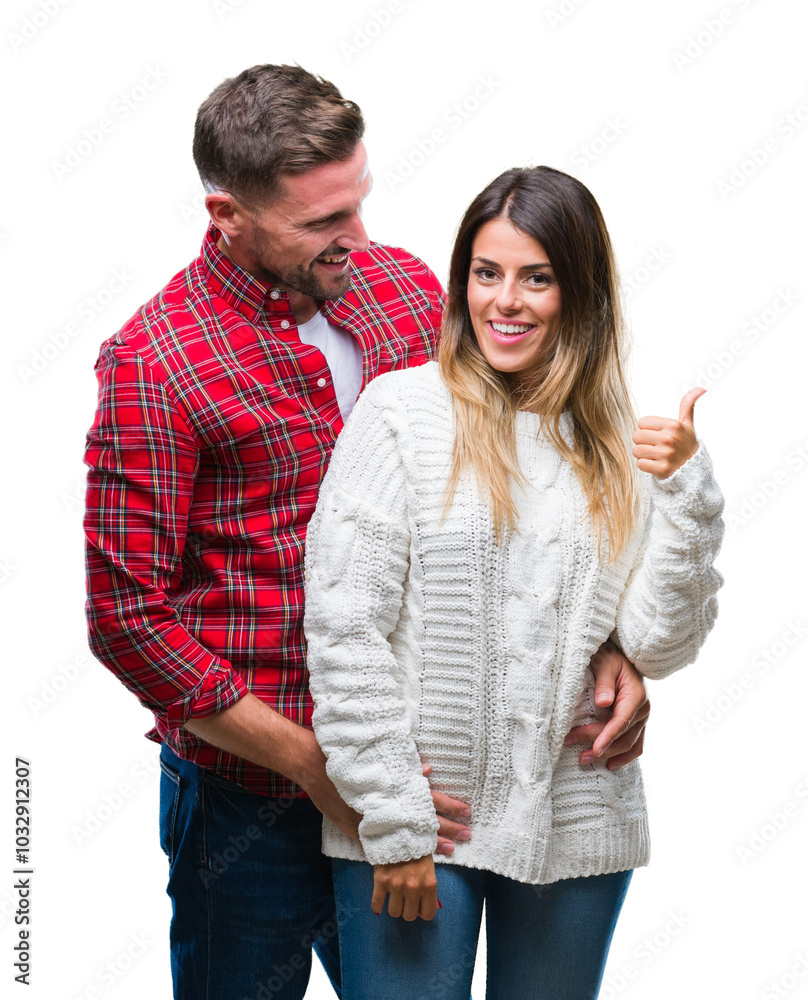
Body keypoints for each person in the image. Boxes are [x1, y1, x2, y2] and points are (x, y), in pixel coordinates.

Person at [83, 64, 652, 1000]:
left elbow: (528, 499)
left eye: (359, 201)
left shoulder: (401, 290)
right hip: (252, 806)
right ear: (227, 216)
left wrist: (612, 645)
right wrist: (316, 765)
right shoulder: (155, 363)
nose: (357, 236)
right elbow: (127, 621)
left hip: (427, 783)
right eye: (322, 221)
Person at [303, 165, 725, 1000]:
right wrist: (393, 818)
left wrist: (689, 492)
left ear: (582, 293)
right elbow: (346, 629)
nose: (505, 301)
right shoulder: (401, 414)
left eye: (538, 278)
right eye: (486, 273)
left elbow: (659, 644)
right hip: (422, 821)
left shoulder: (615, 442)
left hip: (578, 816)